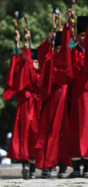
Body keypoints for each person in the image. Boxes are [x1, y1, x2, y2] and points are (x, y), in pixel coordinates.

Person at [35, 23, 72, 178]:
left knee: (65, 133)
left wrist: (68, 26)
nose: (58, 50)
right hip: (51, 99)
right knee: (48, 131)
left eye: (60, 48)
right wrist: (48, 41)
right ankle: (46, 166)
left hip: (66, 98)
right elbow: (42, 54)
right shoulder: (49, 60)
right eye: (56, 48)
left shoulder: (68, 60)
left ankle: (63, 167)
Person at [62, 15, 88, 178]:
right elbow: (65, 48)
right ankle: (75, 169)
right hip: (75, 96)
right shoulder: (73, 51)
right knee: (74, 130)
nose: (84, 38)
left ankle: (87, 169)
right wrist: (68, 24)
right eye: (81, 35)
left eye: (86, 35)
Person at [4, 31, 40, 179]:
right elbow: (19, 62)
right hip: (26, 105)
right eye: (34, 61)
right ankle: (26, 165)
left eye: (37, 61)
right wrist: (21, 43)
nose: (36, 64)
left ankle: (32, 168)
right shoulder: (28, 69)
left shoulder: (42, 72)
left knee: (35, 136)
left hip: (37, 105)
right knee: (24, 134)